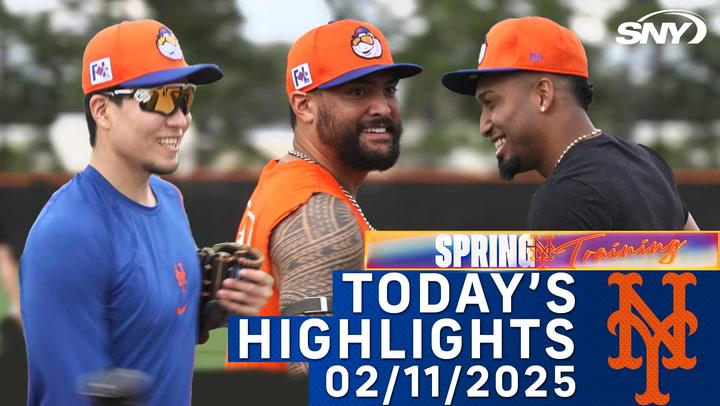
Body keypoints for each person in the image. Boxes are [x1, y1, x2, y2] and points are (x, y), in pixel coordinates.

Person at [20, 20, 273, 405]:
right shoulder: (68, 233)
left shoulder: (170, 199)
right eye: (159, 99)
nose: (181, 118)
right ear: (102, 110)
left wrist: (215, 309)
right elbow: (70, 394)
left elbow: (147, 334)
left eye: (184, 97)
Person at [231, 19, 422, 374]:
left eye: (389, 89)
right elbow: (315, 379)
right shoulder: (317, 210)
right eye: (358, 92)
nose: (383, 107)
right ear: (304, 106)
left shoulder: (287, 179)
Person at [442, 16, 698, 230]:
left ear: (543, 94)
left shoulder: (566, 198)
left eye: (491, 103)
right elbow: (707, 272)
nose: (484, 125)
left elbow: (552, 293)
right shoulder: (647, 160)